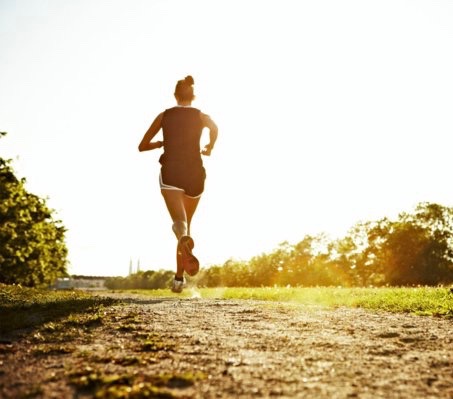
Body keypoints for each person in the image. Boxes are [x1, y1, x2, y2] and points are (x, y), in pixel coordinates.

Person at [138, 75, 218, 293]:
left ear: (175, 95)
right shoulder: (201, 115)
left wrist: (160, 143)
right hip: (195, 174)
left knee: (179, 224)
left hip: (172, 173)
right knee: (186, 225)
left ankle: (182, 243)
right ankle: (178, 279)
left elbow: (142, 146)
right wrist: (209, 146)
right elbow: (215, 128)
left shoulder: (164, 116)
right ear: (193, 96)